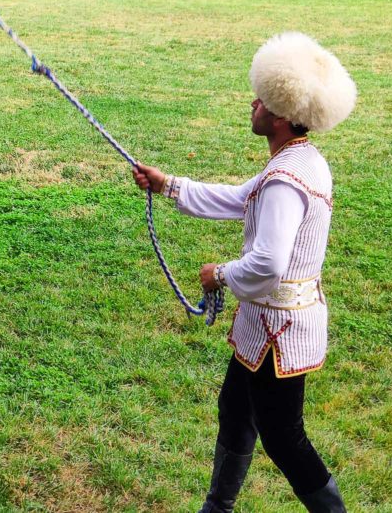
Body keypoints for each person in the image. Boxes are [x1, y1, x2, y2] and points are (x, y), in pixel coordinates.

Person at [132, 33, 356, 513]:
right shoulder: (301, 159)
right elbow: (239, 198)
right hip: (265, 324)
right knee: (235, 410)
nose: (252, 103)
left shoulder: (285, 180)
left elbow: (269, 264)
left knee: (283, 437)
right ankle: (217, 508)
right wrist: (168, 185)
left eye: (262, 100)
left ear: (280, 114)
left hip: (281, 332)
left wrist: (219, 274)